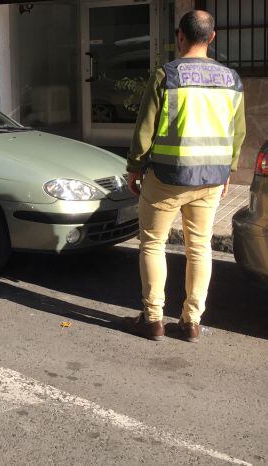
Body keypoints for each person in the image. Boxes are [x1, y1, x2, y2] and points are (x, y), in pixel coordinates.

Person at [123, 10, 245, 343]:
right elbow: (238, 133)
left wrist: (134, 167)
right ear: (212, 37)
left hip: (166, 177)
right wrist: (229, 171)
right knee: (200, 248)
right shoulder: (232, 79)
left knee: (152, 244)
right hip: (211, 179)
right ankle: (191, 322)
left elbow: (145, 128)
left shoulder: (168, 75)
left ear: (180, 36)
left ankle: (153, 319)